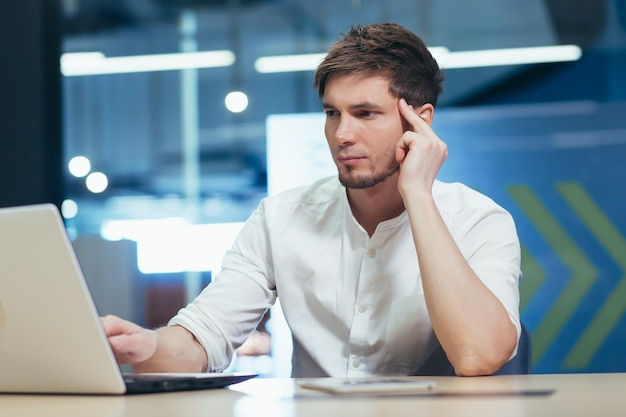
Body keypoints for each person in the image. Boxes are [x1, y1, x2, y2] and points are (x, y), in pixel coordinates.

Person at [102, 22, 521, 377]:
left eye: (366, 113)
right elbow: (202, 339)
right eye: (332, 113)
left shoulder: (479, 221)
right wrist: (145, 347)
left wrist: (418, 195)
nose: (342, 134)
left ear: (419, 121)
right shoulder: (280, 218)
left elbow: (479, 354)